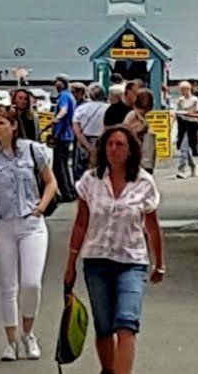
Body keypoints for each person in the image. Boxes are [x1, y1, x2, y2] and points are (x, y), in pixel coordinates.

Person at [64, 127, 165, 374]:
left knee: (127, 324)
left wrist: (159, 263)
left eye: (120, 145)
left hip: (131, 261)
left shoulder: (143, 182)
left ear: (130, 150)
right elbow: (81, 223)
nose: (114, 150)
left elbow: (152, 226)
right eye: (110, 144)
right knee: (104, 326)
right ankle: (108, 370)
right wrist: (70, 265)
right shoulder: (91, 181)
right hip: (96, 260)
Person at [0, 107, 58, 361]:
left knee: (31, 283)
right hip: (4, 224)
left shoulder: (32, 150)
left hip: (31, 223)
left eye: (2, 122)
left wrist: (41, 206)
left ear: (13, 126)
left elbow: (50, 181)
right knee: (7, 286)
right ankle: (11, 340)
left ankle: (28, 332)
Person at [73, 83, 109, 180]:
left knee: (81, 175)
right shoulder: (109, 109)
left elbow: (77, 132)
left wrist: (89, 148)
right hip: (102, 143)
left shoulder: (80, 109)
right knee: (101, 174)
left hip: (83, 144)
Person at [50, 74, 78, 202]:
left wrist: (57, 118)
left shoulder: (63, 96)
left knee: (59, 166)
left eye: (58, 82)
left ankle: (66, 193)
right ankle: (70, 191)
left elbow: (64, 110)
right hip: (68, 135)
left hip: (61, 135)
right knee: (64, 166)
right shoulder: (70, 96)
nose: (56, 84)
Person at [174, 81, 198, 179]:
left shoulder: (195, 99)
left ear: (189, 89)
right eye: (181, 89)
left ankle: (181, 168)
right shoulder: (180, 100)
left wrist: (188, 114)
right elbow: (177, 112)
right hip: (182, 124)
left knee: (184, 146)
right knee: (185, 147)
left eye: (184, 89)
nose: (183, 91)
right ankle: (193, 165)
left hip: (192, 124)